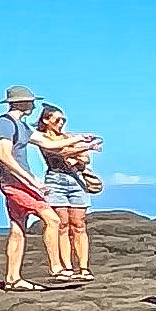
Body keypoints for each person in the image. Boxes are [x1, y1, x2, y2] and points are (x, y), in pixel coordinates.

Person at [0, 88, 50, 292]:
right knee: (52, 218)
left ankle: (13, 278)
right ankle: (58, 268)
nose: (34, 105)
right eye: (30, 102)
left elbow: (47, 142)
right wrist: (32, 181)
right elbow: (5, 155)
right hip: (14, 183)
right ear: (21, 103)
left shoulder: (21, 126)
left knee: (18, 228)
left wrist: (81, 142)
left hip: (17, 182)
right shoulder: (5, 123)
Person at [34, 105, 100, 280]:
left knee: (79, 224)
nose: (61, 123)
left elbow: (84, 158)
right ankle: (67, 267)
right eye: (57, 120)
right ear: (46, 120)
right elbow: (57, 151)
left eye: (63, 120)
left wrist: (79, 152)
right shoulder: (42, 138)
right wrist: (84, 148)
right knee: (62, 224)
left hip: (75, 180)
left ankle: (84, 268)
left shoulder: (68, 137)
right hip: (55, 180)